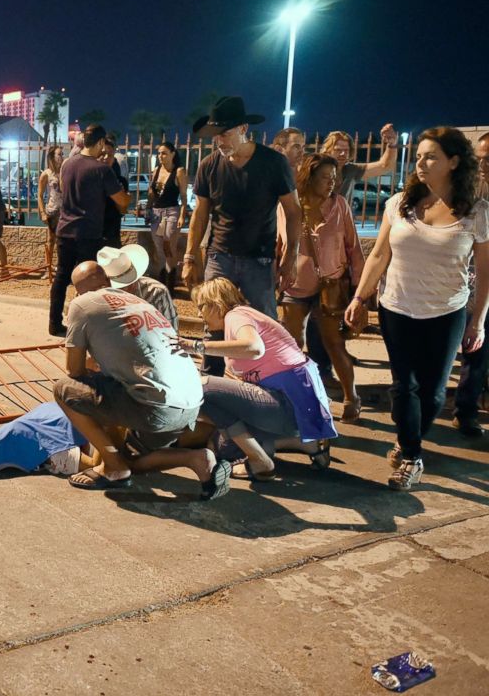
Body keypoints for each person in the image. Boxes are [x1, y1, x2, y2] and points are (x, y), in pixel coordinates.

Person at [346, 127, 488, 491]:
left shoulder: (476, 212)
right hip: (397, 307)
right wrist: (360, 298)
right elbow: (378, 255)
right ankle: (411, 454)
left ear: (454, 162)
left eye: (431, 157)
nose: (421, 163)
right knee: (403, 386)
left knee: (434, 392)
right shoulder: (399, 203)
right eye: (420, 155)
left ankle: (409, 437)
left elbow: (486, 273)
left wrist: (479, 321)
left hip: (446, 311)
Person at [54, 261, 228, 498]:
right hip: (191, 407)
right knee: (129, 459)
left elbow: (73, 370)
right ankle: (197, 460)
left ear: (77, 290)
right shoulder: (138, 301)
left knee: (63, 389)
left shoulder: (82, 304)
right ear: (108, 282)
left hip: (156, 410)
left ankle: (113, 466)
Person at [185, 278, 337, 480]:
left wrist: (196, 346)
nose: (198, 313)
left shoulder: (236, 315)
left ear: (216, 302)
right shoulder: (241, 318)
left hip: (289, 403)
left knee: (202, 386)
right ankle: (304, 443)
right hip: (292, 408)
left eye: (201, 306)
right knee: (222, 449)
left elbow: (254, 348)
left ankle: (261, 461)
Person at [183, 97, 301, 317]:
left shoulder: (274, 163)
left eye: (225, 134)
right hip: (219, 257)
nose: (219, 140)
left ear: (244, 128)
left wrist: (290, 257)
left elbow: (294, 212)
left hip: (259, 259)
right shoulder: (209, 165)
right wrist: (190, 257)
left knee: (263, 324)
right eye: (216, 135)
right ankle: (214, 353)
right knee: (214, 322)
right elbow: (200, 215)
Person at [278, 154, 365, 422]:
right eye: (325, 177)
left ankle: (351, 397)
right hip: (295, 286)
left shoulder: (339, 205)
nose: (331, 182)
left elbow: (354, 247)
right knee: (292, 344)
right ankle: (296, 397)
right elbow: (279, 243)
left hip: (332, 285)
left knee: (334, 344)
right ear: (310, 177)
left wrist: (361, 291)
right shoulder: (291, 206)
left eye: (334, 177)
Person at [48, 124, 132, 337]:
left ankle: (54, 323)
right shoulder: (101, 169)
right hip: (88, 232)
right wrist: (127, 198)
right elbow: (121, 202)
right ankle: (84, 327)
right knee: (88, 282)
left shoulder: (67, 164)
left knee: (62, 276)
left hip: (64, 230)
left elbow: (66, 191)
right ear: (101, 142)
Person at [452, 131, 489, 437]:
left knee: (480, 351)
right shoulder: (468, 191)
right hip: (468, 282)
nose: (484, 164)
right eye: (480, 158)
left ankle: (468, 408)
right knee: (471, 347)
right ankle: (465, 411)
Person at [97, 244, 178, 330]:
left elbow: (171, 331)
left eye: (131, 282)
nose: (128, 288)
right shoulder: (98, 298)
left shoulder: (157, 292)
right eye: (122, 286)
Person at [145, 141, 189, 286]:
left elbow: (183, 196)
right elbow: (152, 193)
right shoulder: (157, 170)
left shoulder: (179, 171)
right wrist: (147, 209)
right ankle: (162, 279)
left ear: (173, 154)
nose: (160, 156)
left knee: (169, 245)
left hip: (171, 211)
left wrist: (183, 215)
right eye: (159, 153)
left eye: (164, 153)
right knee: (159, 247)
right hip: (157, 213)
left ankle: (170, 281)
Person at [322, 124, 399, 203]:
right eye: (338, 150)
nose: (343, 153)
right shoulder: (315, 170)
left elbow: (384, 166)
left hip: (344, 215)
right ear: (328, 151)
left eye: (346, 150)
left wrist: (392, 144)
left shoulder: (351, 170)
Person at [36, 145, 64, 271]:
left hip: (65, 210)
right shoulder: (46, 174)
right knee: (51, 240)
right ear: (52, 157)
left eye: (62, 154)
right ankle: (49, 268)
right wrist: (42, 212)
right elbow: (40, 195)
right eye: (59, 154)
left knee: (63, 241)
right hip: (53, 210)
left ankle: (61, 267)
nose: (62, 157)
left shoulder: (65, 172)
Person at [99, 136, 128, 248]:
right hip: (92, 234)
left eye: (109, 155)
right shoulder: (90, 178)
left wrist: (119, 195)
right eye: (102, 154)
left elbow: (123, 210)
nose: (105, 158)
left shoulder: (121, 181)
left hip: (112, 232)